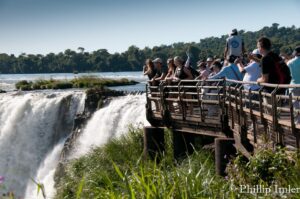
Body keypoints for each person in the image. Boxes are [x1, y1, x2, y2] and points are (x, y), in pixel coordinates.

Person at [287, 46, 300, 123]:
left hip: (293, 86)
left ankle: (297, 123)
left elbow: (287, 74)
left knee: (296, 106)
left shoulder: (290, 62)